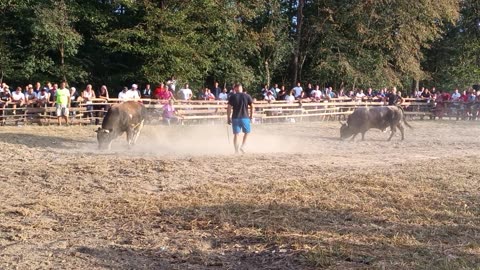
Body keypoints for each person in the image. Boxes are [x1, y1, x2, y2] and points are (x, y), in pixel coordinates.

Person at [227, 84, 253, 154]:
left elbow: (229, 107)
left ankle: (236, 150)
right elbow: (252, 106)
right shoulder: (247, 96)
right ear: (241, 88)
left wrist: (228, 117)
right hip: (245, 117)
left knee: (236, 134)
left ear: (235, 89)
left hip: (235, 118)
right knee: (247, 132)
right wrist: (251, 116)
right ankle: (243, 146)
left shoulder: (232, 96)